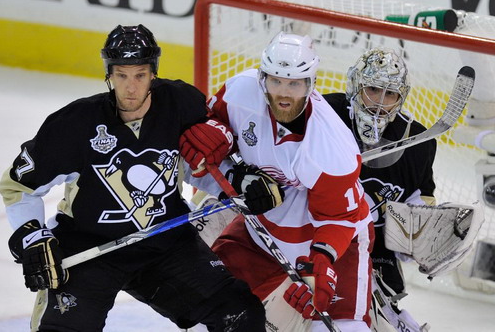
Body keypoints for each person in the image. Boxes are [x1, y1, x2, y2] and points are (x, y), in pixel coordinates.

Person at [0, 24, 267, 332]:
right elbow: (17, 185)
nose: (130, 88)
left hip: (165, 243)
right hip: (90, 248)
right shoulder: (74, 124)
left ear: (153, 73)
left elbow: (201, 166)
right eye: (122, 75)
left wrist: (240, 184)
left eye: (139, 75)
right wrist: (32, 236)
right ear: (109, 74)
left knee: (241, 313)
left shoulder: (180, 104)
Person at [181, 31, 374, 332]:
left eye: (294, 83)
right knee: (211, 300)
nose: (284, 93)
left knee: (343, 328)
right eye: (276, 81)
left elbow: (337, 217)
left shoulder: (331, 147)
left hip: (335, 242)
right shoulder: (239, 93)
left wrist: (321, 264)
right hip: (263, 231)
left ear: (310, 84)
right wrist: (218, 136)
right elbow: (210, 136)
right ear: (262, 78)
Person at [324, 47, 435, 331]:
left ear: (402, 97)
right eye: (373, 89)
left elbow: (419, 202)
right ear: (355, 85)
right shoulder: (325, 117)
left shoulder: (418, 144)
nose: (380, 103)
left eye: (391, 94)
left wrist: (418, 236)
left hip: (375, 253)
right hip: (318, 238)